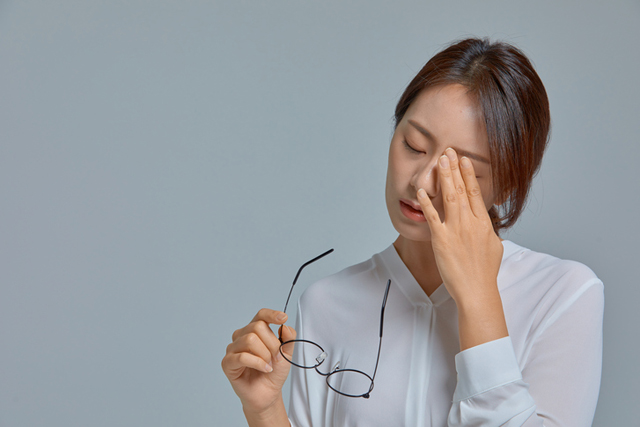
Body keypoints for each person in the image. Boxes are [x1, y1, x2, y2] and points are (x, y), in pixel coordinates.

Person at [221, 38, 604, 426]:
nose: (422, 182)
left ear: (506, 186)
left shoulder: (563, 296)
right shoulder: (326, 303)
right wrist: (265, 410)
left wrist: (477, 298)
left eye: (462, 169)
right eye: (414, 145)